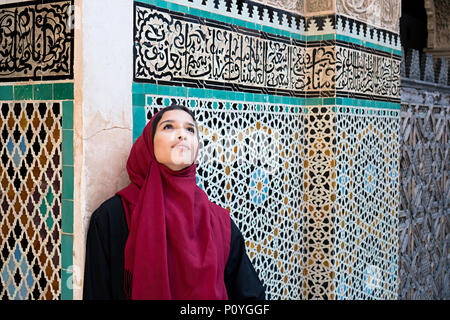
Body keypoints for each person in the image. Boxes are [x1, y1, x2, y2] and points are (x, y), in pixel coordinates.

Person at [83, 104, 265, 300]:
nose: (182, 135)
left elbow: (250, 296)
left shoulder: (219, 223)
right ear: (149, 144)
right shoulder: (113, 218)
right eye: (168, 127)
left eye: (190, 129)